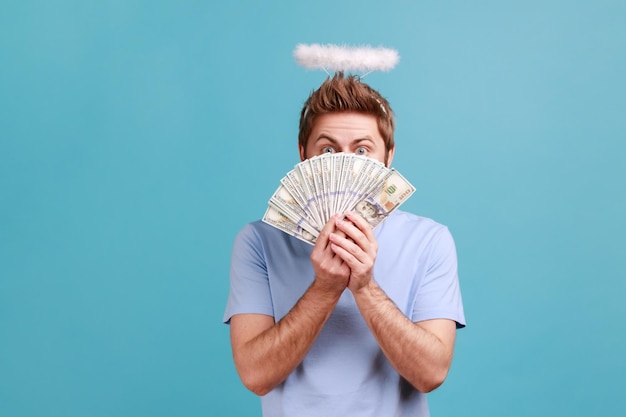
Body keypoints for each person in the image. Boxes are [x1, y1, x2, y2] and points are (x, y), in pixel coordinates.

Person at [223, 72, 465, 417]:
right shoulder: (258, 241)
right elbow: (255, 376)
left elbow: (431, 374)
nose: (346, 164)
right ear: (303, 154)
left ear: (388, 158)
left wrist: (364, 286)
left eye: (362, 150)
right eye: (328, 149)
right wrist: (325, 289)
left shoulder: (430, 240)